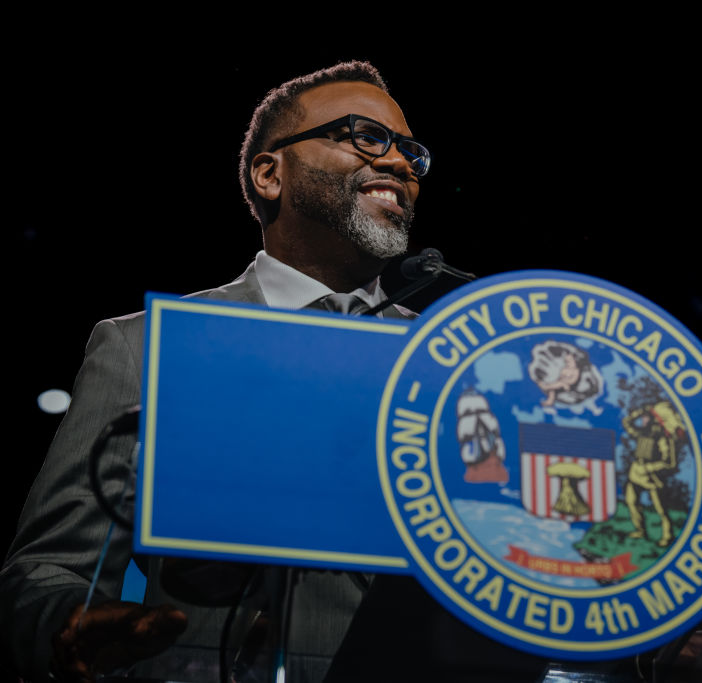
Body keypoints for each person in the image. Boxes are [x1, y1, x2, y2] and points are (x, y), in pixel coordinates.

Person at [0, 60, 428, 683]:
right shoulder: (145, 348)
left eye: (411, 152)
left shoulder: (455, 364)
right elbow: (49, 570)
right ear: (269, 173)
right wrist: (71, 627)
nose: (399, 162)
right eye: (366, 136)